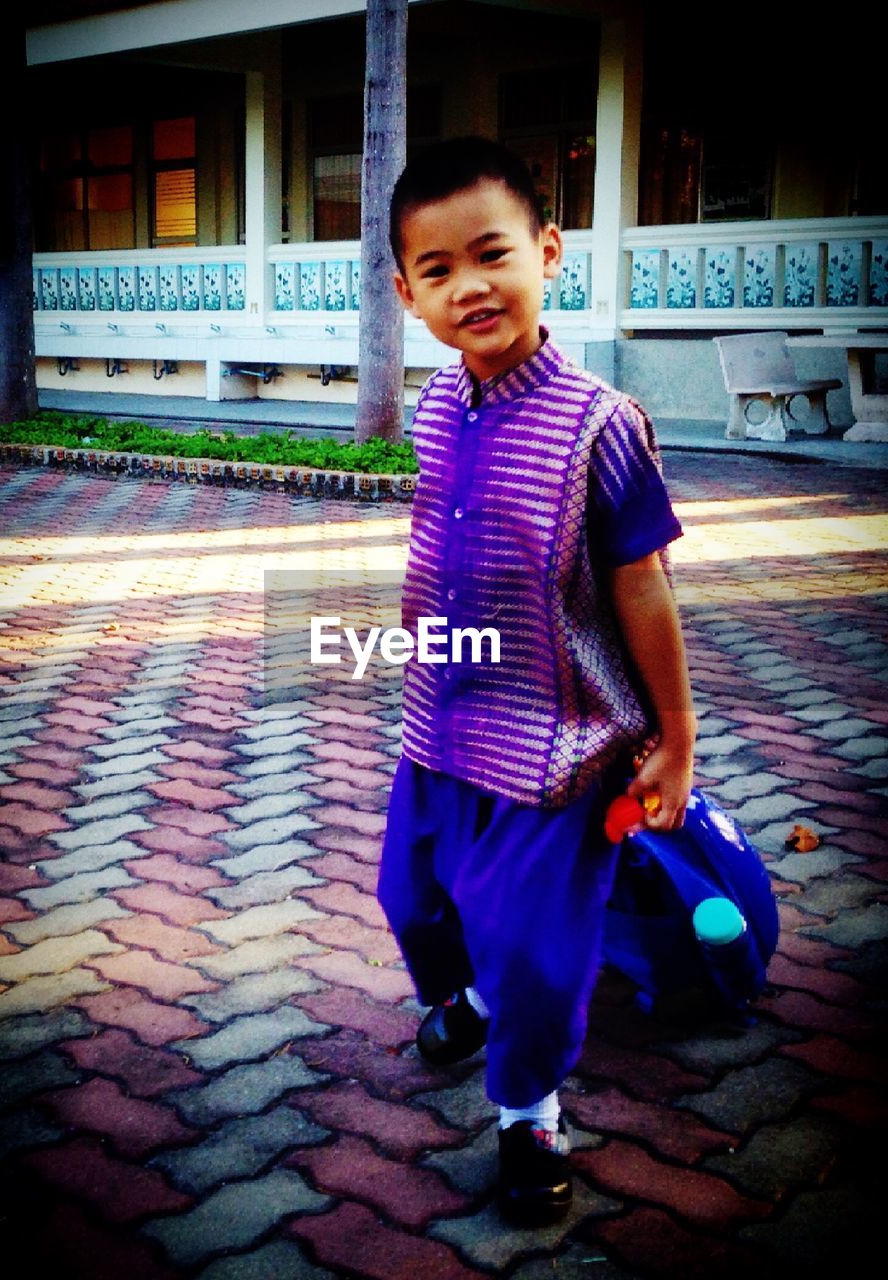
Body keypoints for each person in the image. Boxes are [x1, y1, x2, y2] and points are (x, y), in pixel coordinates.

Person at [376, 137, 696, 1227]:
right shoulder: (434, 407)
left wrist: (675, 735)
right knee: (410, 899)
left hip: (558, 745)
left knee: (534, 951)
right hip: (440, 722)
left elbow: (644, 587)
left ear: (548, 253)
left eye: (493, 253)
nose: (470, 286)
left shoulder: (601, 425)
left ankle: (528, 1111)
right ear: (406, 291)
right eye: (438, 269)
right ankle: (466, 996)